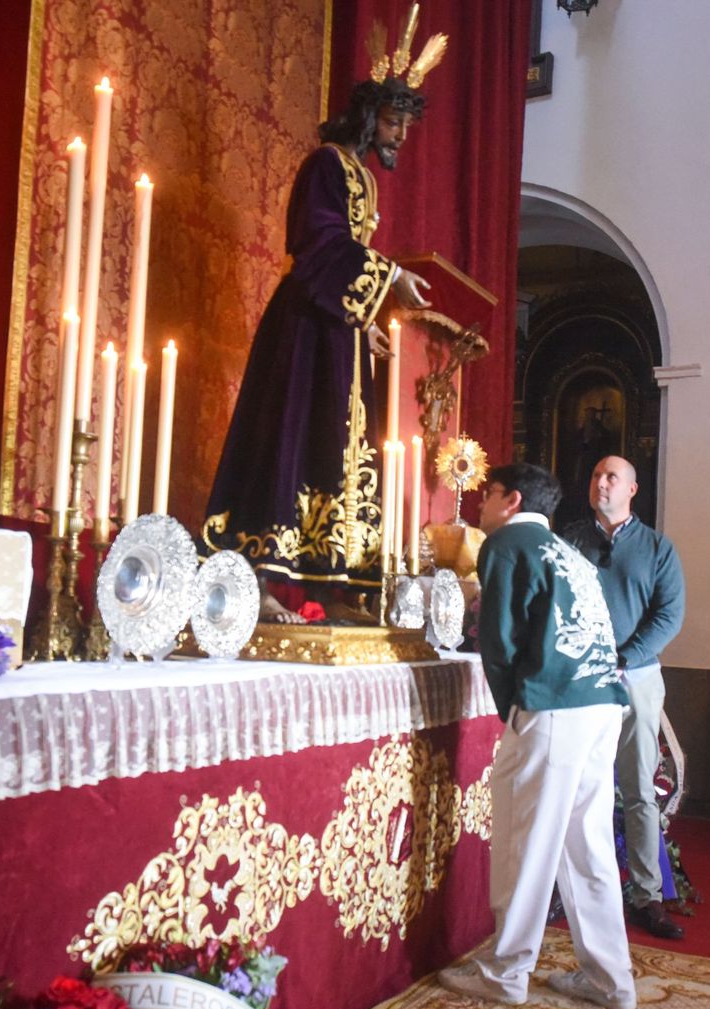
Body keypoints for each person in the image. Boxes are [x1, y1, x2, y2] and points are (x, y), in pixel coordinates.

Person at [200, 17, 443, 621]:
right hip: (306, 330)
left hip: (339, 330)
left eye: (406, 124)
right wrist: (388, 278)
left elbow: (341, 260)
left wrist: (368, 323)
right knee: (289, 437)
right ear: (367, 116)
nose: (401, 135)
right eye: (394, 121)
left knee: (340, 450)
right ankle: (254, 577)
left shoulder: (360, 176)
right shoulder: (327, 165)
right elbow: (320, 243)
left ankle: (335, 587)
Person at [439, 463, 637, 1009]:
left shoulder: (508, 544)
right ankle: (610, 978)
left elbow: (497, 640)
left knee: (527, 842)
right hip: (602, 702)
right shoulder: (568, 551)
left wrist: (513, 712)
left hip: (554, 704)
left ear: (513, 500)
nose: (481, 505)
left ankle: (505, 971)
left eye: (489, 494)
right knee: (588, 847)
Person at [562, 456, 686, 940]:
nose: (602, 482)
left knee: (638, 788)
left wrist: (625, 658)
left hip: (635, 678)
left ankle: (646, 897)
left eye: (612, 476)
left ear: (632, 489)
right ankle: (568, 889)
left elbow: (669, 616)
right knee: (574, 786)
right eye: (595, 475)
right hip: (578, 680)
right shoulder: (570, 540)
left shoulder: (657, 547)